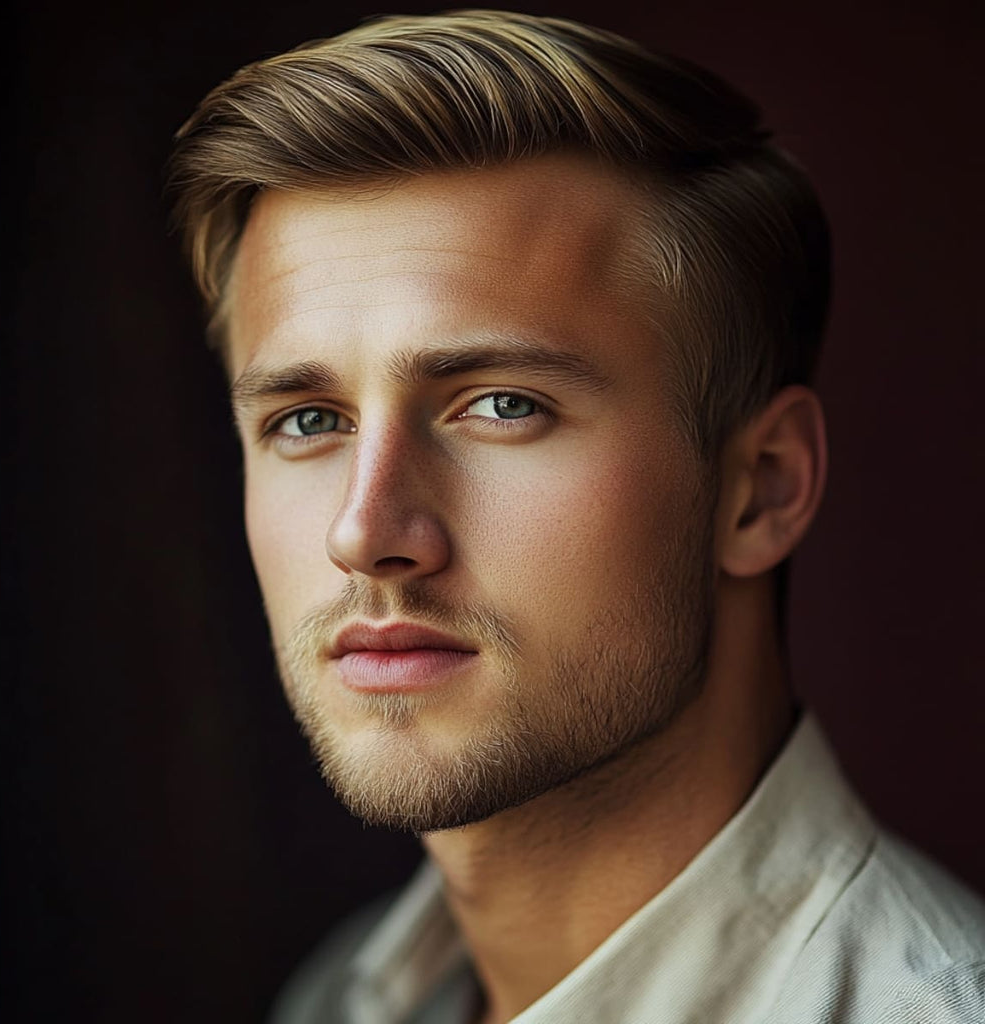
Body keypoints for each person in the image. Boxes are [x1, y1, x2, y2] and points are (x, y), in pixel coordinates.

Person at [167, 10, 985, 1023]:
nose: (363, 533)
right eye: (307, 420)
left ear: (763, 487)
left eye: (505, 405)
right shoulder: (345, 998)